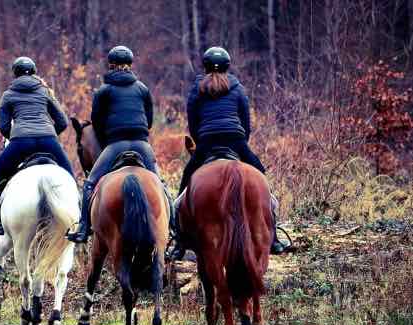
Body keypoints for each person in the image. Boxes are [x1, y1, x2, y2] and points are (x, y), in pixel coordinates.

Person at [172, 46, 285, 256]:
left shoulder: (197, 87)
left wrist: (201, 141)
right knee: (263, 181)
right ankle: (274, 239)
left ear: (204, 66)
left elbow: (193, 121)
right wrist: (241, 143)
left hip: (206, 142)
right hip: (236, 140)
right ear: (228, 66)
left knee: (183, 190)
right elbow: (246, 121)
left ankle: (179, 244)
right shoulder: (238, 87)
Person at [66, 46, 170, 243]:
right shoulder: (142, 89)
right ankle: (173, 229)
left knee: (89, 185)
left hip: (116, 145)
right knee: (161, 185)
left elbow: (96, 122)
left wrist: (108, 137)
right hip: (141, 144)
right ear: (130, 65)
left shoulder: (103, 91)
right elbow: (148, 122)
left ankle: (83, 229)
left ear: (110, 65)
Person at [0, 56, 74, 239]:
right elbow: (62, 121)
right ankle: (79, 222)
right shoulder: (45, 91)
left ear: (15, 74)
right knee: (70, 177)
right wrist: (50, 135)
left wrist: (14, 138)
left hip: (21, 142)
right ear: (34, 72)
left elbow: (3, 126)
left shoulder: (8, 94)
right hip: (48, 140)